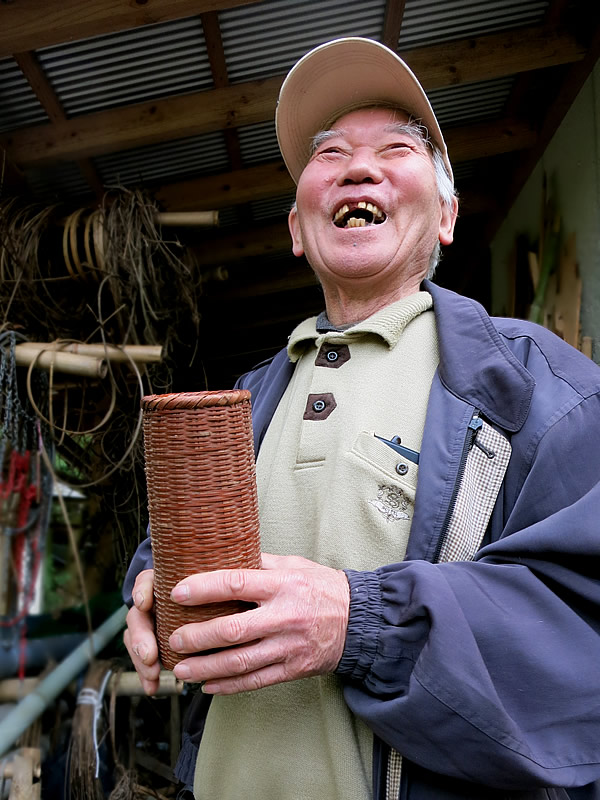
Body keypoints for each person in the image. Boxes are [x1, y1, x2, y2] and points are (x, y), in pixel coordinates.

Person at [123, 37, 600, 800]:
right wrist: (149, 585)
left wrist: (361, 622)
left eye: (397, 146)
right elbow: (175, 550)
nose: (358, 165)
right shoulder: (248, 399)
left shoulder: (538, 389)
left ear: (446, 215)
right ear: (294, 228)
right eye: (332, 151)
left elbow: (584, 629)